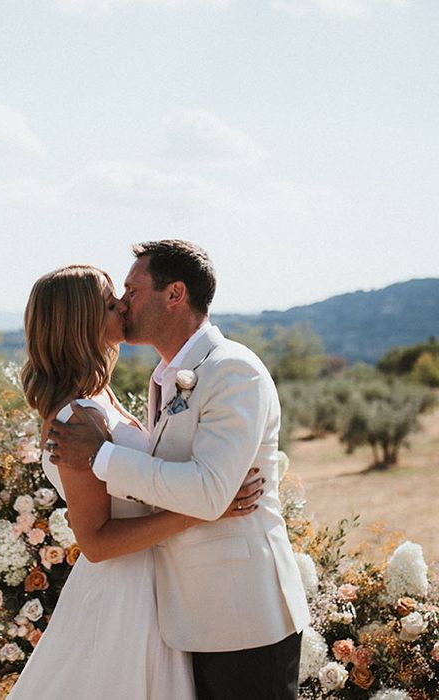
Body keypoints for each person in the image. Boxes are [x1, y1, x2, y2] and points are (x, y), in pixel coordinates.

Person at [47, 241, 310, 700]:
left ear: (175, 294)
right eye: (118, 296)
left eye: (131, 289)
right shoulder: (166, 377)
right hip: (185, 615)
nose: (124, 302)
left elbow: (210, 492)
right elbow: (174, 490)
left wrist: (102, 458)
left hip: (243, 614)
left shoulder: (232, 371)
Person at [8, 264, 263, 699]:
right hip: (121, 602)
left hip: (153, 585)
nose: (124, 307)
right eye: (111, 304)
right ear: (81, 324)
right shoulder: (75, 418)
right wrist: (201, 511)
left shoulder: (99, 398)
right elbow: (97, 542)